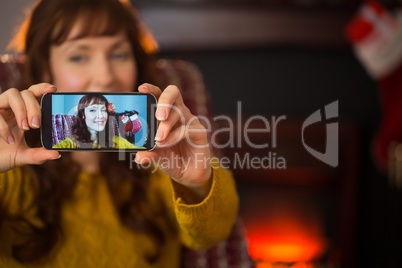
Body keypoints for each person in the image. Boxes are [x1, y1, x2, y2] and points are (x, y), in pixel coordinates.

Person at [0, 0, 239, 267]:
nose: (105, 76)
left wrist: (198, 182)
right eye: (78, 56)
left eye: (119, 55)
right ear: (45, 68)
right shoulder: (11, 164)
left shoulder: (161, 154)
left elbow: (213, 235)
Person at [52, 93, 144, 149]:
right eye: (92, 110)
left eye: (103, 110)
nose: (101, 116)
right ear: (83, 115)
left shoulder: (116, 141)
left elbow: (137, 148)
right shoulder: (70, 143)